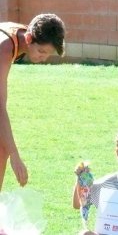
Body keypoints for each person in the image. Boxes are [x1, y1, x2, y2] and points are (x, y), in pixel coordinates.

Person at [0, 13, 65, 190]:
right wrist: (15, 156)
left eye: (48, 54)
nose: (44, 58)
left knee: (3, 146)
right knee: (4, 149)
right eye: (42, 51)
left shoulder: (24, 33)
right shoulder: (5, 48)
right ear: (29, 38)